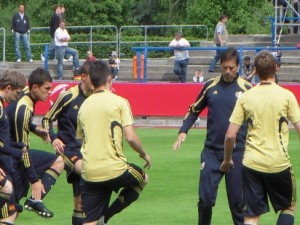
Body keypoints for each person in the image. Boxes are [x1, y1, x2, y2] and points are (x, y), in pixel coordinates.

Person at [173, 48, 252, 225]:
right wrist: (183, 130)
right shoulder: (210, 86)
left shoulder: (247, 89)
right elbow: (194, 110)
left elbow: (257, 118)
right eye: (224, 67)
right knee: (206, 200)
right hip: (212, 152)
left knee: (237, 204)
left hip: (238, 153)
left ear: (238, 66)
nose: (228, 71)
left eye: (231, 68)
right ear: (220, 66)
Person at [220, 50, 300, 225]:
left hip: (251, 163)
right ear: (276, 68)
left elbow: (230, 135)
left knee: (251, 216)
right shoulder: (286, 96)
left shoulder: (246, 97)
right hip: (278, 162)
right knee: (288, 207)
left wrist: (227, 160)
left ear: (255, 70)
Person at [76, 60, 151, 225]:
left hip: (89, 172)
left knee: (90, 221)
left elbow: (81, 139)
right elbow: (130, 137)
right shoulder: (119, 102)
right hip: (115, 169)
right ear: (109, 79)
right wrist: (144, 154)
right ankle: (107, 216)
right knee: (143, 178)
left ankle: (100, 219)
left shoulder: (83, 107)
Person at [6, 68, 65, 219]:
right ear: (35, 87)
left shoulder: (26, 94)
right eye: (47, 88)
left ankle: (34, 201)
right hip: (12, 161)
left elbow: (16, 121)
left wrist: (34, 129)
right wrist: (35, 180)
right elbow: (22, 150)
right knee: (11, 213)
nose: (50, 92)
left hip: (11, 154)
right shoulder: (24, 109)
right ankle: (34, 200)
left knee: (12, 212)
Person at [42, 62, 94, 225]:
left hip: (89, 152)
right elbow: (47, 119)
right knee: (86, 181)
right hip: (69, 150)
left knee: (82, 203)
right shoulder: (68, 96)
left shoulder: (96, 98)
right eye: (93, 79)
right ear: (83, 77)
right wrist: (54, 137)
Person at [0, 71, 27, 225]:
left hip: (5, 163)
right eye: (17, 92)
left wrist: (18, 147)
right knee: (8, 192)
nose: (18, 96)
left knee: (12, 210)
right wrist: (16, 152)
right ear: (8, 88)